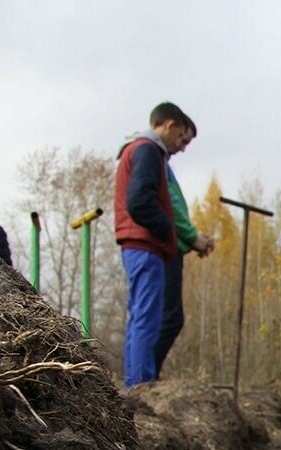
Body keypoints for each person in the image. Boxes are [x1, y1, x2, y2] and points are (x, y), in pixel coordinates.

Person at [114, 102, 194, 389]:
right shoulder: (148, 150)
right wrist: (167, 230)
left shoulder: (138, 149)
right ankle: (140, 386)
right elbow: (139, 201)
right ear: (169, 125)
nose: (181, 147)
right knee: (147, 321)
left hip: (138, 245)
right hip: (146, 246)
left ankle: (135, 382)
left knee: (141, 319)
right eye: (180, 137)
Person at [153, 143, 216, 378]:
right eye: (182, 138)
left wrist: (192, 240)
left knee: (167, 318)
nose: (183, 147)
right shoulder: (154, 159)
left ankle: (147, 376)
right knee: (168, 318)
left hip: (172, 247)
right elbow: (172, 209)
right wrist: (192, 236)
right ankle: (145, 376)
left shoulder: (163, 164)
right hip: (162, 250)